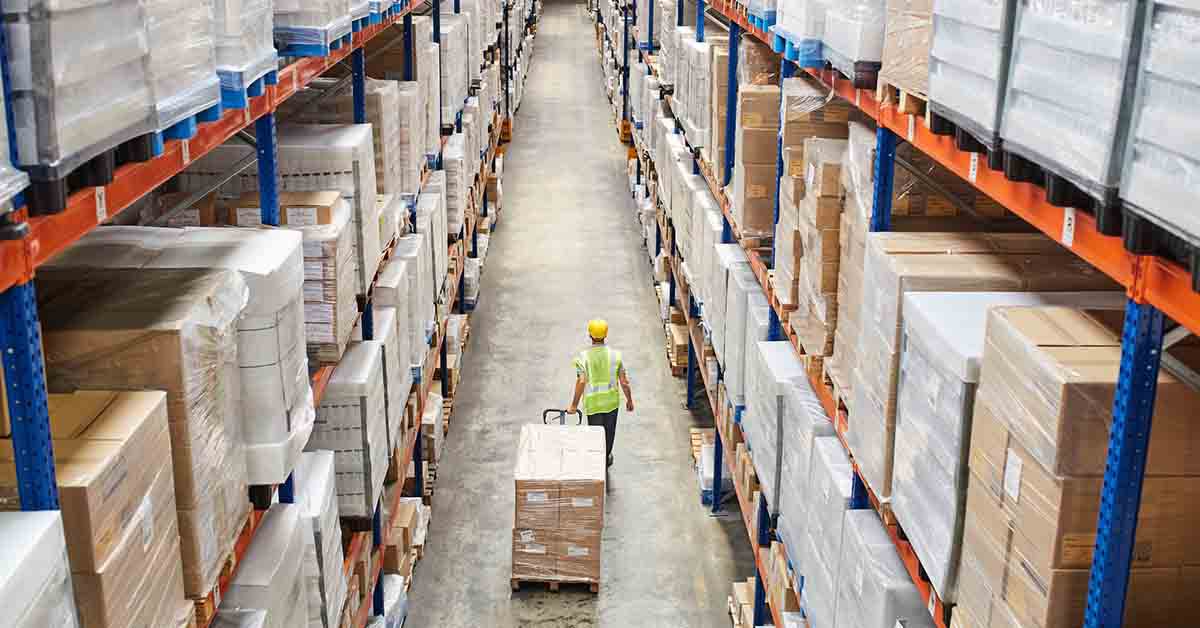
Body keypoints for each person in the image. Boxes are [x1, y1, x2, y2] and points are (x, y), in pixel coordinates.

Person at [567, 318, 633, 467]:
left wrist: (573, 405)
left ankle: (597, 460)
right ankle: (606, 457)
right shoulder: (616, 356)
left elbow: (582, 381)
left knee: (596, 435)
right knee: (609, 433)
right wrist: (629, 400)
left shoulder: (583, 358)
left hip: (593, 405)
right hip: (611, 403)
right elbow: (624, 382)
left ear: (589, 335)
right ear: (606, 335)